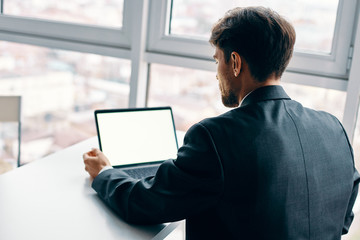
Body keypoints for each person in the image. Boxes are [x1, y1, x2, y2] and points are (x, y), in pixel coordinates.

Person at [83, 6, 359, 239]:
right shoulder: (333, 128)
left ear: (235, 63)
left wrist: (105, 173)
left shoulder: (214, 137)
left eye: (218, 61)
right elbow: (343, 220)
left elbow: (146, 204)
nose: (217, 74)